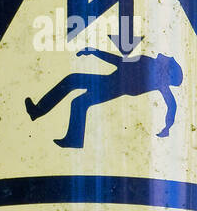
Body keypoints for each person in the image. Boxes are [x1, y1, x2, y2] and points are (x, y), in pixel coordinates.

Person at [25, 47, 183, 148]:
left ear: (167, 71)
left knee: (79, 101)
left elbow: (172, 105)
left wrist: (168, 126)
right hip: (110, 81)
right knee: (73, 82)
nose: (166, 56)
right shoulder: (149, 64)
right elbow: (120, 62)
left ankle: (73, 139)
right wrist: (94, 52)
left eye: (169, 61)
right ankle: (38, 112)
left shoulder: (155, 76)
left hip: (113, 87)